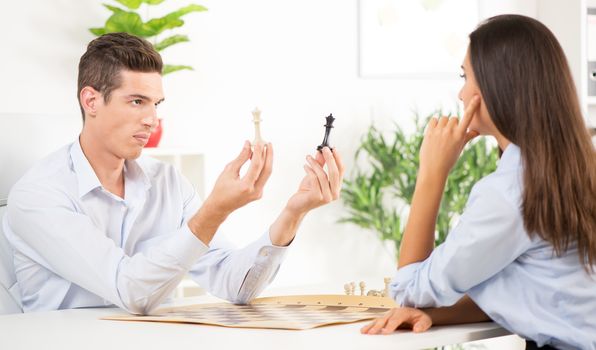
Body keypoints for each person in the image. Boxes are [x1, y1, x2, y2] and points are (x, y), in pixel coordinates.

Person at [2, 32, 344, 314]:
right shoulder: (39, 195)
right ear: (91, 101)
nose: (152, 119)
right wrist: (215, 210)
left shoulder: (166, 183)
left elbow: (232, 283)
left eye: (157, 104)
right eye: (137, 101)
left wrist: (293, 213)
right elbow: (130, 290)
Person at [361, 14, 596, 350]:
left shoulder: (511, 190)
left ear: (496, 85)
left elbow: (407, 289)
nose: (460, 93)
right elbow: (540, 297)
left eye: (465, 76)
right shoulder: (578, 166)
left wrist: (431, 172)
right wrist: (436, 315)